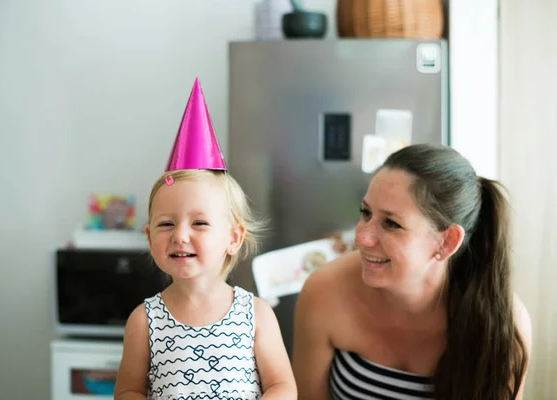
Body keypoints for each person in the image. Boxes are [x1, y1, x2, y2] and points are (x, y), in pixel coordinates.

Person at [292, 144, 532, 400]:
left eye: (392, 223)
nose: (361, 238)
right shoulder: (325, 290)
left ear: (447, 242)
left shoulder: (503, 323)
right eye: (366, 212)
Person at [114, 78, 296, 400]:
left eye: (199, 223)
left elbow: (283, 386)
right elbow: (128, 391)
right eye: (166, 224)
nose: (180, 235)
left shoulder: (256, 316)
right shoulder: (144, 321)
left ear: (233, 238)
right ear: (149, 236)